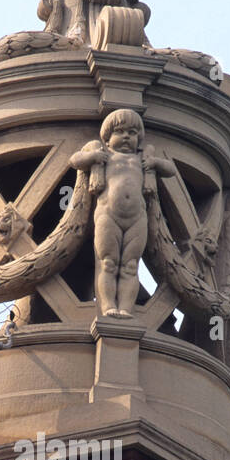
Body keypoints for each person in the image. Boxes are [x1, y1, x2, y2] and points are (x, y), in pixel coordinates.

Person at [71, 109, 175, 317]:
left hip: (137, 218)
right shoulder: (106, 156)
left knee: (130, 265)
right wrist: (92, 156)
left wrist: (155, 163)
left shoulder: (142, 159)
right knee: (107, 262)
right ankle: (108, 306)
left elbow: (170, 169)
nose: (127, 136)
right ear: (107, 138)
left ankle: (126, 309)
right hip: (108, 215)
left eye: (133, 132)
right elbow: (75, 160)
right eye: (120, 131)